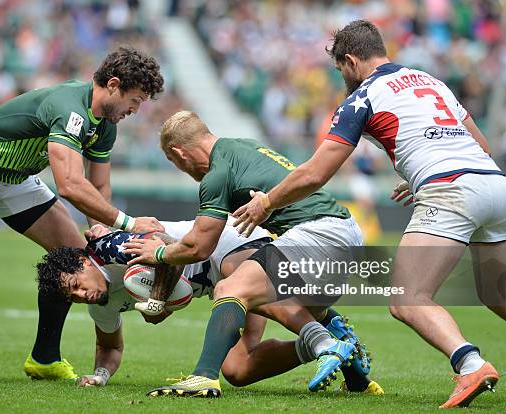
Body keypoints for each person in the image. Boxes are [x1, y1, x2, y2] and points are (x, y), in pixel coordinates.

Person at [232, 20, 506, 409]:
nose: (341, 79)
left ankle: (470, 364)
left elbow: (315, 173)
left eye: (339, 71)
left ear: (350, 61)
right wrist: (418, 177)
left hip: (451, 189)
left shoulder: (361, 98)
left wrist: (267, 202)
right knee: (500, 293)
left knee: (407, 297)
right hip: (497, 185)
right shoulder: (429, 80)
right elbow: (479, 144)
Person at [0, 47, 165, 387]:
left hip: (14, 180)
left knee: (75, 257)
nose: (136, 110)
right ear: (113, 85)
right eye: (136, 99)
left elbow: (98, 184)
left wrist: (99, 229)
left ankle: (44, 358)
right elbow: (70, 185)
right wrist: (129, 224)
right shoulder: (69, 106)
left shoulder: (105, 125)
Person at [123, 111, 369, 397]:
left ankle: (203, 378)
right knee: (254, 351)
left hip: (320, 234)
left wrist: (161, 252)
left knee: (231, 288)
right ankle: (347, 362)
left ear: (179, 153)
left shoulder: (216, 175)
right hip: (346, 235)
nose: (179, 168)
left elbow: (199, 247)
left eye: (173, 161)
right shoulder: (246, 146)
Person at [36, 221, 382, 394]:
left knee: (250, 291)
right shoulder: (102, 307)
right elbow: (109, 347)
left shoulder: (109, 250)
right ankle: (331, 347)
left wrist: (158, 300)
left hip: (225, 245)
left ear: (82, 263)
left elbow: (168, 249)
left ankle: (324, 339)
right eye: (73, 298)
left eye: (76, 286)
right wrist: (100, 375)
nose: (81, 296)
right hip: (216, 281)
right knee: (238, 370)